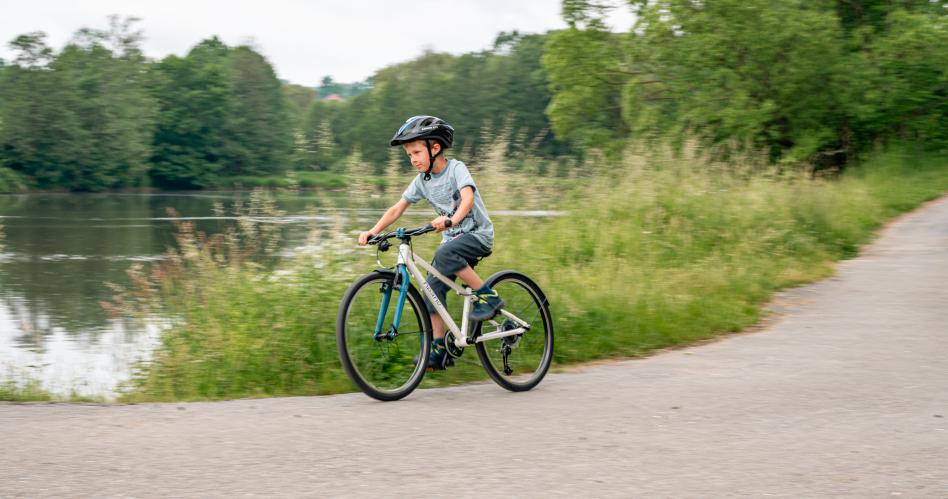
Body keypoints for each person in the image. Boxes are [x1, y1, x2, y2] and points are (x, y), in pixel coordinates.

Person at [358, 115, 502, 371]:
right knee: (431, 291)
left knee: (445, 252)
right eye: (409, 155)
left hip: (477, 235)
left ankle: (488, 297)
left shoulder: (456, 169)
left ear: (435, 148)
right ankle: (439, 349)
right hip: (452, 242)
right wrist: (373, 230)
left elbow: (467, 199)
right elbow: (397, 208)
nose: (412, 159)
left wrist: (451, 220)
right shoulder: (422, 181)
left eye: (416, 152)